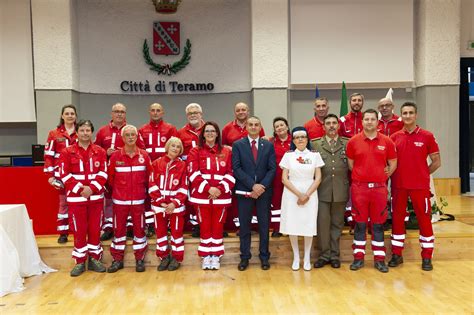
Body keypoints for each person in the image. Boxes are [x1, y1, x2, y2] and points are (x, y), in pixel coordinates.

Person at [389, 102, 441, 271]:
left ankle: (426, 257)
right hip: (399, 186)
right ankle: (397, 254)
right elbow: (389, 162)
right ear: (401, 116)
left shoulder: (427, 136)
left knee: (424, 221)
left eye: (411, 112)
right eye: (405, 113)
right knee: (397, 220)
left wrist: (423, 174)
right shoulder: (394, 137)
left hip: (420, 188)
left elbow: (436, 162)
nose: (408, 116)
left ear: (416, 115)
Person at [346, 109, 397, 273]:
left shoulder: (387, 141)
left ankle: (379, 259)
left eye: (372, 119)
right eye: (366, 119)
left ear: (377, 121)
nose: (369, 122)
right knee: (360, 224)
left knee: (378, 225)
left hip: (379, 189)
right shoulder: (353, 141)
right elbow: (351, 164)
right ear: (362, 122)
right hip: (359, 188)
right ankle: (358, 258)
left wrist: (383, 176)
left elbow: (393, 163)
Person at [58, 120, 108, 277]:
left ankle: (94, 259)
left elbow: (103, 172)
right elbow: (64, 174)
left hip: (95, 199)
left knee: (94, 229)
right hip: (76, 199)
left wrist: (91, 189)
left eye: (88, 130)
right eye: (82, 130)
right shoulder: (67, 152)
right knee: (79, 231)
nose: (85, 133)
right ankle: (80, 262)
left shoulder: (100, 151)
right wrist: (80, 189)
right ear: (77, 132)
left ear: (91, 132)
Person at [187, 122, 235, 270]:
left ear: (217, 134)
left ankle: (216, 255)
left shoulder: (227, 151)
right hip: (202, 197)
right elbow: (193, 173)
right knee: (205, 226)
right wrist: (209, 189)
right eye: (207, 131)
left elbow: (231, 172)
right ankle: (206, 255)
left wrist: (219, 189)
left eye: (212, 131)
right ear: (203, 134)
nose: (209, 133)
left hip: (221, 197)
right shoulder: (195, 151)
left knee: (218, 227)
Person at [106, 125, 152, 273]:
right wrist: (120, 193)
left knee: (139, 231)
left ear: (137, 137)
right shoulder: (115, 156)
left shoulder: (144, 155)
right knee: (118, 231)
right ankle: (117, 260)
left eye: (133, 134)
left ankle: (139, 259)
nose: (131, 137)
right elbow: (110, 179)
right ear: (122, 138)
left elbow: (148, 178)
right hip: (120, 202)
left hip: (139, 201)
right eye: (128, 135)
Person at [232, 116, 276, 271]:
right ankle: (245, 258)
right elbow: (236, 168)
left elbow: (272, 168)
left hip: (264, 192)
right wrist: (252, 185)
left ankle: (264, 257)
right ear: (246, 127)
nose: (253, 127)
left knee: (264, 226)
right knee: (244, 226)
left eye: (256, 125)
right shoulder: (238, 145)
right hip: (245, 191)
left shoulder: (268, 145)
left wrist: (261, 186)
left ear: (260, 127)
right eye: (250, 124)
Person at [280, 127, 324, 271]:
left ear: (307, 139)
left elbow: (318, 178)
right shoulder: (288, 155)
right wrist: (299, 194)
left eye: (303, 137)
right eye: (297, 137)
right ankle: (296, 257)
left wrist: (306, 194)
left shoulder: (314, 155)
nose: (300, 139)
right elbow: (284, 178)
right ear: (293, 140)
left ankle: (306, 258)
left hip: (310, 192)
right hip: (291, 192)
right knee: (293, 225)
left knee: (308, 226)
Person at [311, 114, 349, 269]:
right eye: (328, 123)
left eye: (334, 123)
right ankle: (324, 254)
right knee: (322, 224)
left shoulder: (347, 143)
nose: (332, 125)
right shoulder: (315, 145)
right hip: (322, 190)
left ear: (338, 126)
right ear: (323, 126)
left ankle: (334, 255)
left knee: (337, 224)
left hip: (340, 189)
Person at [222, 102, 265, 231]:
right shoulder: (227, 128)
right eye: (238, 110)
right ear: (235, 112)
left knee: (255, 197)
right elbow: (222, 147)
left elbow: (261, 145)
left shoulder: (256, 126)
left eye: (243, 109)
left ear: (248, 111)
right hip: (237, 169)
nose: (241, 112)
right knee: (239, 199)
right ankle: (241, 226)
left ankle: (254, 225)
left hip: (254, 169)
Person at [95, 103, 134, 241]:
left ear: (125, 114)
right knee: (109, 200)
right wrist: (105, 153)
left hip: (127, 173)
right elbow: (94, 152)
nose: (119, 114)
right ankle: (109, 227)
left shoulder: (131, 130)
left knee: (129, 199)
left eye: (122, 112)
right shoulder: (102, 131)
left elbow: (141, 149)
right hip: (109, 173)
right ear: (111, 114)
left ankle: (129, 227)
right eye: (116, 111)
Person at [139, 103, 178, 236]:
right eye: (153, 110)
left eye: (158, 111)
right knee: (149, 197)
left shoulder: (170, 128)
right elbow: (141, 151)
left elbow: (175, 148)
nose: (155, 113)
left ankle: (167, 224)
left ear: (163, 112)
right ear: (149, 112)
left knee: (167, 194)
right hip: (148, 169)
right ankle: (150, 224)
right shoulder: (142, 129)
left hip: (166, 169)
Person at [149, 137, 188, 271]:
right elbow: (151, 184)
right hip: (159, 207)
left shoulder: (183, 166)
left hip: (175, 208)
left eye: (178, 146)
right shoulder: (156, 163)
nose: (175, 148)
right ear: (167, 147)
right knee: (160, 233)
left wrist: (174, 203)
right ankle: (164, 257)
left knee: (177, 233)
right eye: (173, 145)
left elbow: (184, 187)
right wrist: (161, 202)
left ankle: (176, 258)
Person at [44, 104, 78, 243]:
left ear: (75, 116)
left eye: (72, 113)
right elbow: (48, 156)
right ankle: (63, 232)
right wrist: (51, 176)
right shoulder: (54, 134)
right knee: (63, 204)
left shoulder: (81, 132)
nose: (70, 116)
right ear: (62, 116)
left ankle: (78, 231)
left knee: (77, 204)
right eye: (67, 113)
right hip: (61, 175)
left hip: (78, 175)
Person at [177, 103, 205, 237]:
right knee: (192, 200)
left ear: (201, 114)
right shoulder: (181, 133)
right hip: (189, 173)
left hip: (208, 172)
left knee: (207, 198)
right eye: (190, 113)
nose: (193, 115)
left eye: (196, 112)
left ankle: (206, 223)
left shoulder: (209, 129)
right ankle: (195, 225)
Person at [268, 117, 292, 237]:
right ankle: (277, 228)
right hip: (276, 178)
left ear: (287, 127)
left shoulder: (295, 141)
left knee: (292, 202)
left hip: (293, 178)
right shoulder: (270, 143)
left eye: (281, 125)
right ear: (275, 130)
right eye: (277, 126)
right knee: (277, 203)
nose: (279, 128)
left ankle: (292, 228)